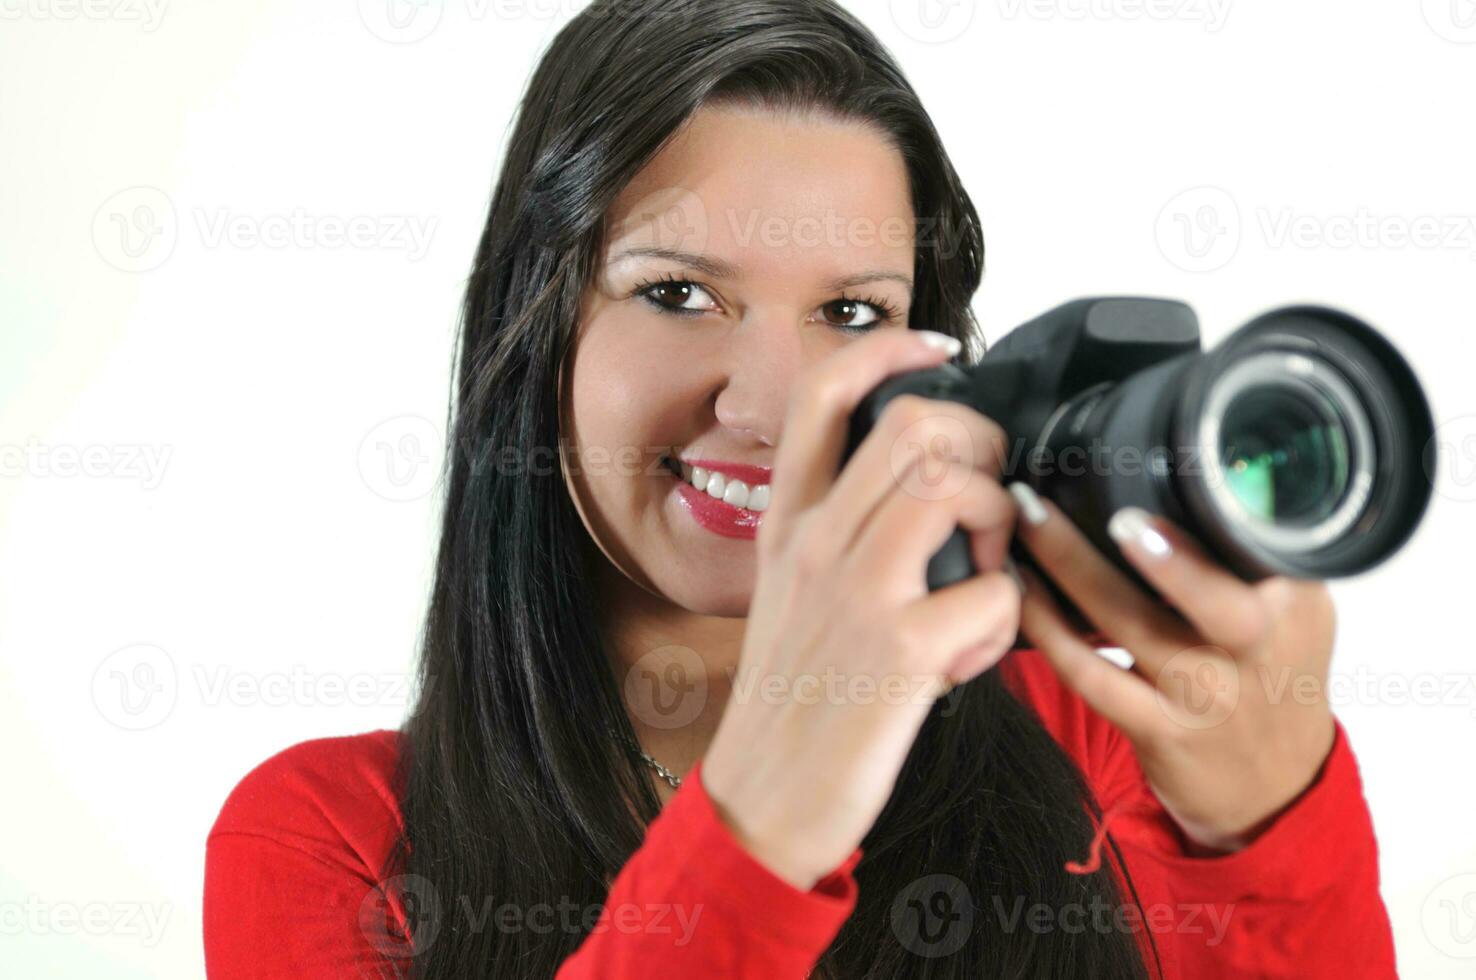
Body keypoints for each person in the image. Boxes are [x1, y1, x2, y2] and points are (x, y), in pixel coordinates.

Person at [203, 1, 1397, 976]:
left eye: (851, 313)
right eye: (676, 293)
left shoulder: (1093, 741)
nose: (769, 408)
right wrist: (770, 808)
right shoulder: (332, 843)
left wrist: (1272, 838)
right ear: (537, 326)